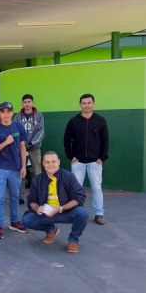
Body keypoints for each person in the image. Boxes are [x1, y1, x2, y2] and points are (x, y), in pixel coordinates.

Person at [22, 151, 89, 253]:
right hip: (46, 213)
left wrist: (61, 208)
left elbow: (79, 197)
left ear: (59, 162)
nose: (50, 165)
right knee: (27, 220)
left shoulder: (68, 176)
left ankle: (73, 240)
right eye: (47, 162)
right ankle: (51, 230)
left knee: (82, 213)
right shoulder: (37, 180)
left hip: (65, 211)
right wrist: (37, 208)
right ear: (43, 163)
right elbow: (32, 200)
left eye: (53, 161)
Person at [63, 93, 109, 225]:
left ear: (93, 103)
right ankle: (75, 212)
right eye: (84, 103)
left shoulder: (100, 121)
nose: (87, 105)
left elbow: (105, 140)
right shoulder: (73, 121)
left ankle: (99, 214)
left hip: (95, 162)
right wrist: (70, 156)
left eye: (89, 103)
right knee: (76, 189)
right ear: (80, 104)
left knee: (97, 188)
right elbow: (67, 140)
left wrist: (102, 157)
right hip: (78, 162)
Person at [0, 101, 28, 239]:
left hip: (16, 168)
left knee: (15, 197)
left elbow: (22, 147)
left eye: (8, 111)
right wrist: (6, 142)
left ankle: (14, 222)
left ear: (12, 112)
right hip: (0, 168)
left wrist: (23, 166)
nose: (6, 114)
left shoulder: (18, 127)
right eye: (2, 112)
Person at [14, 94, 45, 205]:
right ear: (22, 103)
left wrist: (32, 143)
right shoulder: (17, 116)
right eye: (25, 102)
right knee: (21, 171)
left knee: (37, 172)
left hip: (35, 148)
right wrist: (22, 144)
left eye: (29, 102)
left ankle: (39, 196)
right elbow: (15, 131)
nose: (27, 104)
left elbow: (41, 131)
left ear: (32, 103)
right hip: (21, 147)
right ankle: (20, 197)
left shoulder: (39, 115)